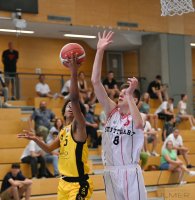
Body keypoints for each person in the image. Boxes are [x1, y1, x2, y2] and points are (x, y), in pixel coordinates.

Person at [18, 55, 93, 199]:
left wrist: (73, 72)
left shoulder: (79, 127)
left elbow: (75, 99)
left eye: (74, 106)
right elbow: (47, 149)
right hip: (63, 183)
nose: (71, 106)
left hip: (79, 184)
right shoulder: (63, 131)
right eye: (68, 106)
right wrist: (35, 139)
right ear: (63, 112)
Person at [91, 31, 147, 200]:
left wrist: (129, 95)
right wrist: (99, 50)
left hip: (130, 171)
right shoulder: (111, 111)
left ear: (134, 99)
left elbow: (138, 124)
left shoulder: (139, 116)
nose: (121, 95)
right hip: (110, 171)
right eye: (121, 93)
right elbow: (95, 81)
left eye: (126, 93)